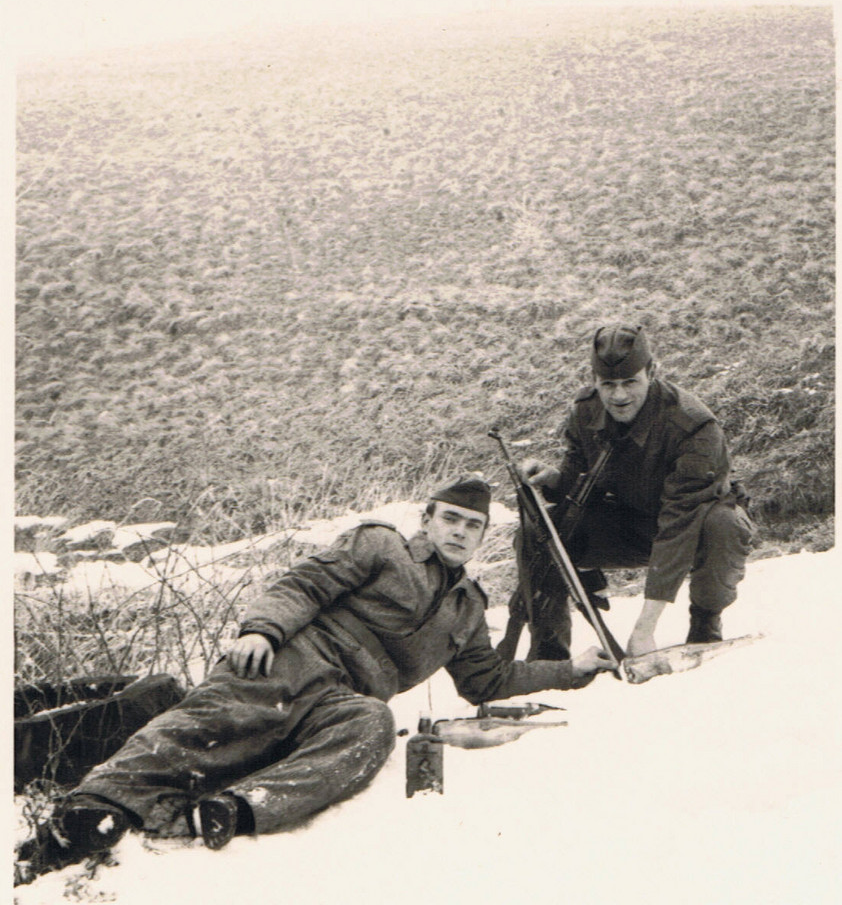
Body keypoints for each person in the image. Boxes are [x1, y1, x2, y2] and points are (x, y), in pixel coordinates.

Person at [18, 477, 613, 881]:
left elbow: (486, 678)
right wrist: (262, 630)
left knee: (373, 725)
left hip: (345, 700)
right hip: (293, 658)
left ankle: (236, 810)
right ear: (426, 521)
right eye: (449, 519)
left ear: (483, 537)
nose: (459, 532)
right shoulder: (381, 547)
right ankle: (92, 810)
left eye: (472, 526)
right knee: (212, 721)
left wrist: (571, 670)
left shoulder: (467, 609)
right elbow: (304, 584)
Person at [500, 323, 756, 664]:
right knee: (538, 531)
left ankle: (705, 624)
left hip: (693, 527)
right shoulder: (586, 410)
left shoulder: (693, 426)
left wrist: (644, 628)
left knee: (722, 524)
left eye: (630, 382)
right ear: (594, 380)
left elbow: (680, 522)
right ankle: (550, 656)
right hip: (632, 523)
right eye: (608, 384)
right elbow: (581, 481)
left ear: (651, 372)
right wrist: (555, 479)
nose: (618, 396)